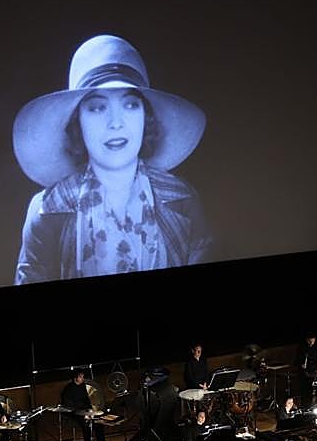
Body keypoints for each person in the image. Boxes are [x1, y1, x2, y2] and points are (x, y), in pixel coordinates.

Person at [14, 34, 210, 284]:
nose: (116, 123)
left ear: (145, 117)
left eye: (130, 105)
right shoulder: (48, 211)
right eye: (97, 108)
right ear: (78, 122)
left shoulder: (182, 199)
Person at [60, 369, 106, 441]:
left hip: (85, 412)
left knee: (99, 424)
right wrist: (81, 412)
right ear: (75, 378)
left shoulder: (83, 386)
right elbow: (68, 405)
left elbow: (87, 400)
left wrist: (90, 411)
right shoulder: (68, 389)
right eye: (81, 377)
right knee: (86, 427)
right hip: (74, 413)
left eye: (82, 376)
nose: (82, 378)